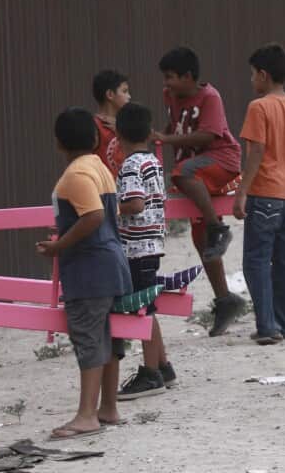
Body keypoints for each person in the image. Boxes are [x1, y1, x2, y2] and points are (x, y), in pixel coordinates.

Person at [35, 108, 133, 439]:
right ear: (94, 139)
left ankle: (87, 415)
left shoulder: (75, 175)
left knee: (90, 338)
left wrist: (58, 246)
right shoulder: (98, 167)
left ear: (58, 143)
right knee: (109, 336)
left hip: (90, 269)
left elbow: (91, 216)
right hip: (112, 263)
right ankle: (108, 408)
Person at [155, 47, 245, 336]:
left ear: (189, 76)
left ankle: (220, 227)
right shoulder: (170, 96)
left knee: (182, 173)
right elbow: (178, 125)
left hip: (220, 160)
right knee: (199, 235)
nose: (166, 83)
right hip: (195, 169)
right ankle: (225, 299)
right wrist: (161, 134)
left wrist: (168, 139)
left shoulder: (210, 97)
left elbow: (209, 134)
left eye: (170, 77)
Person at [235, 44, 285, 344]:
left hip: (264, 192)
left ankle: (266, 326)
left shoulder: (259, 107)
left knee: (255, 260)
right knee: (284, 261)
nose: (251, 80)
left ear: (263, 75)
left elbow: (256, 152)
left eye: (252, 74)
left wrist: (242, 192)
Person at [111, 103, 177, 400]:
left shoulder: (130, 166)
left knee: (141, 310)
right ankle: (163, 366)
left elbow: (135, 204)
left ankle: (150, 374)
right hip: (151, 245)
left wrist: (110, 208)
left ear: (118, 133)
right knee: (147, 305)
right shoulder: (151, 161)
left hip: (137, 249)